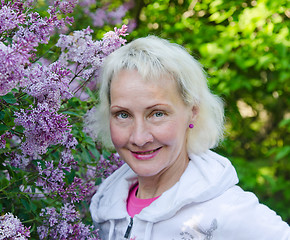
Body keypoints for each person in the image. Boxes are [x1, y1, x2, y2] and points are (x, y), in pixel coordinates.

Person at [88, 36, 290, 240]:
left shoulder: (226, 211)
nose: (139, 138)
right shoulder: (106, 209)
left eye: (157, 114)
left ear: (193, 112)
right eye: (123, 114)